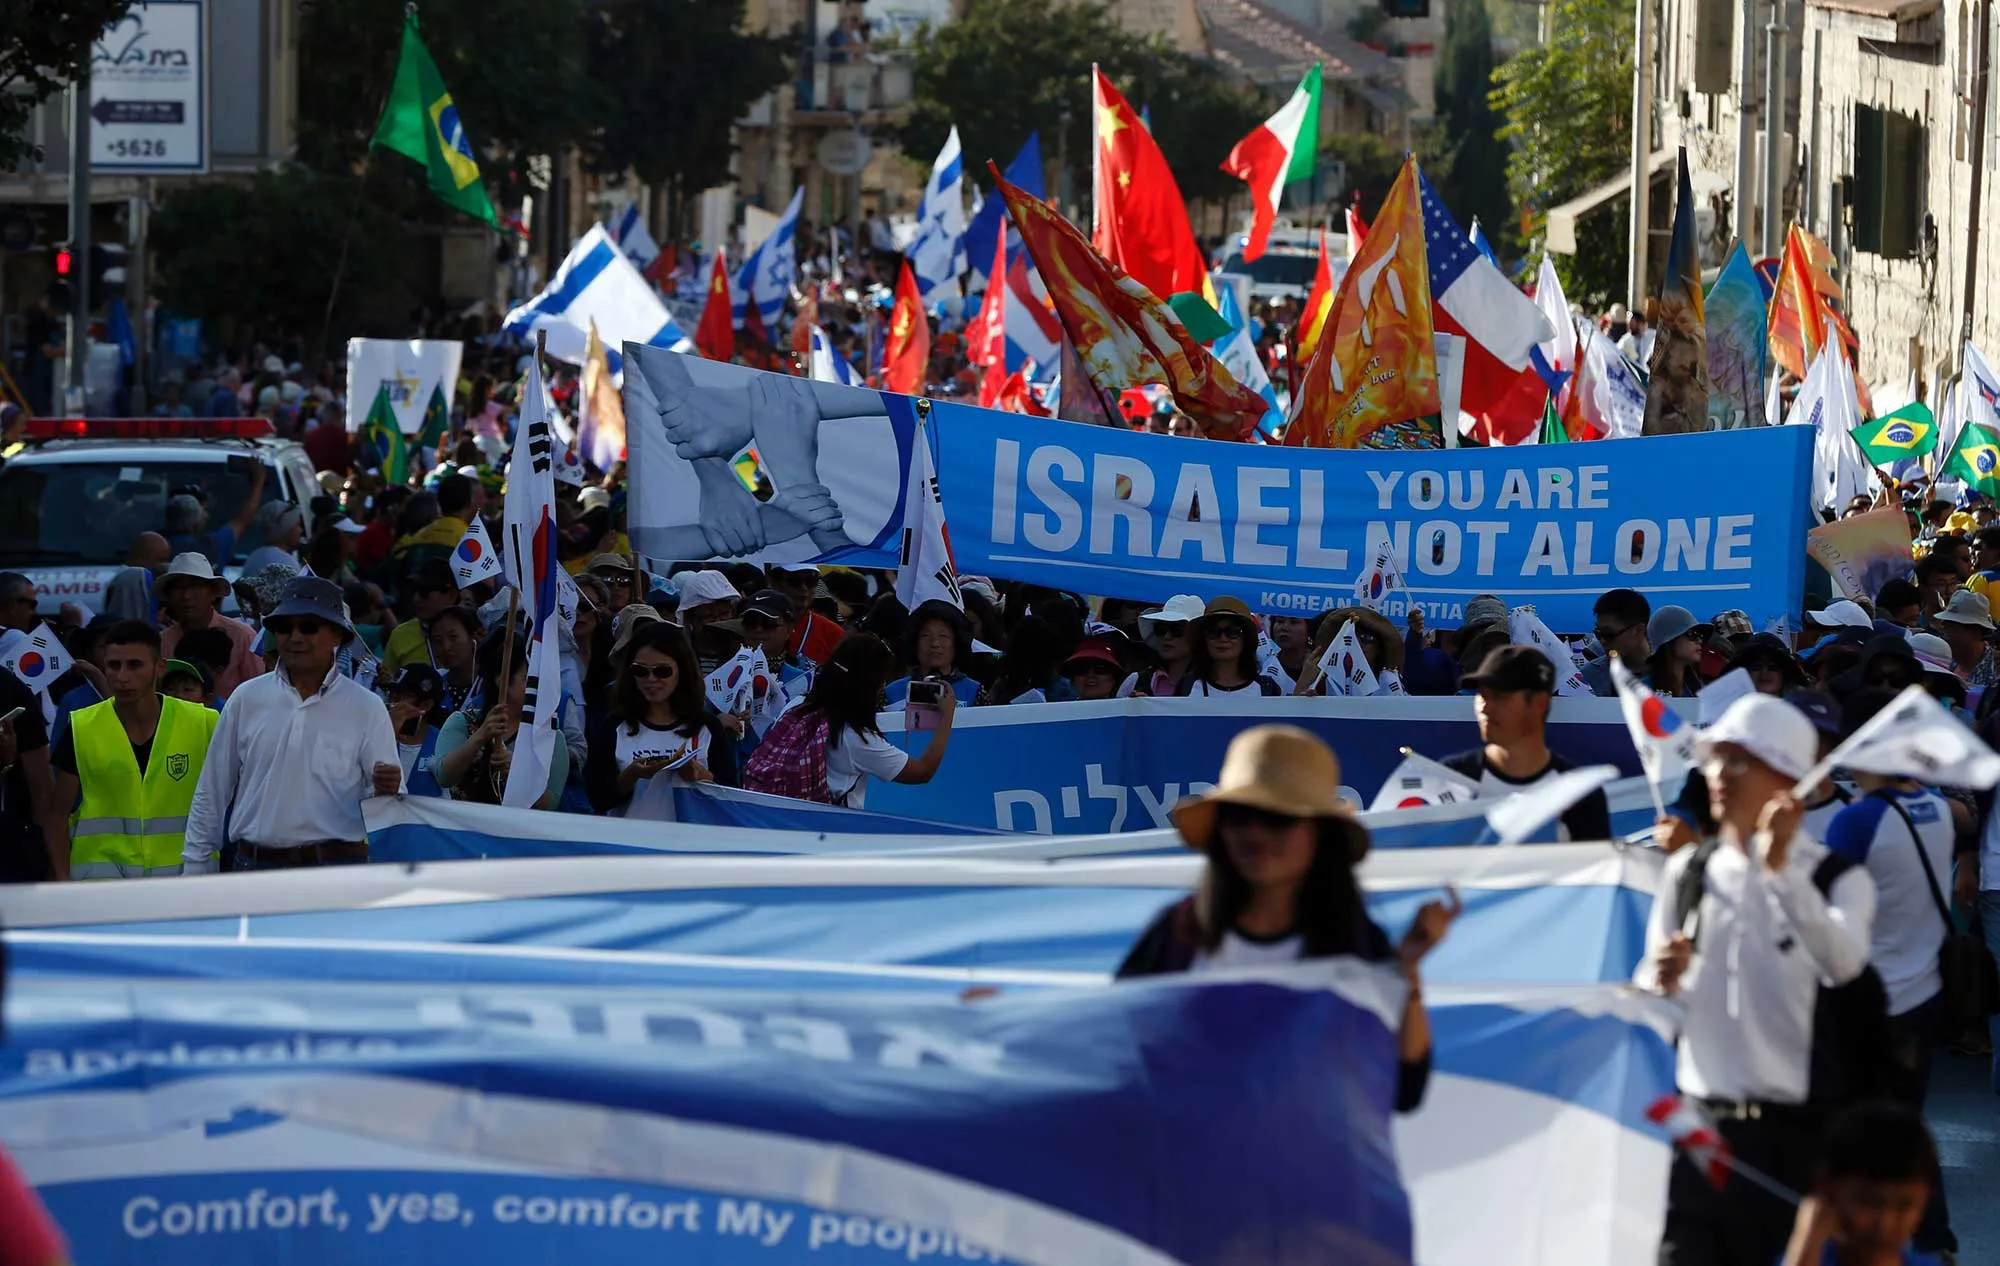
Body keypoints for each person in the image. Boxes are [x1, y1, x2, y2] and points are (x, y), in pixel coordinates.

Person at [1635, 694, 1877, 1266]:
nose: (1719, 775)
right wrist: (1659, 982)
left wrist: (1778, 873)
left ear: (1788, 778)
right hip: (1699, 1132)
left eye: (1739, 761)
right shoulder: (1687, 872)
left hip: (1801, 1141)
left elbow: (1843, 965)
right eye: (1715, 759)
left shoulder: (1838, 878)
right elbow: (1652, 1005)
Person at [1116, 725, 1459, 1114]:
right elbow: (1118, 1054)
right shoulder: (1178, 933)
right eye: (1239, 816)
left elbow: (1404, 1089)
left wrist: (1407, 970)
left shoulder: (1353, 941)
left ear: (1320, 836)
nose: (1254, 834)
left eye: (1276, 819)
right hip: (1189, 1169)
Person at [1820, 691, 1958, 1258]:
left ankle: (1903, 1243)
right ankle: (1933, 1238)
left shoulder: (1856, 822)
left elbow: (1822, 916)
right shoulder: (1937, 807)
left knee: (1859, 1139)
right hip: (1926, 992)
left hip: (1874, 1004)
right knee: (1908, 1126)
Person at [182, 577, 402, 872]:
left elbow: (393, 802)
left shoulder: (367, 707)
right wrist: (194, 867)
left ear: (338, 635)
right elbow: (212, 789)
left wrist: (385, 790)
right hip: (255, 870)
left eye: (309, 627)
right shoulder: (247, 698)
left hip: (336, 872)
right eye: (284, 628)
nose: (295, 637)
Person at [43, 621, 218, 880]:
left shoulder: (203, 722)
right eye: (114, 666)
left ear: (159, 667)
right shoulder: (82, 726)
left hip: (184, 880)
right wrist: (62, 880)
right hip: (102, 883)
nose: (122, 677)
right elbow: (57, 815)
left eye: (134, 665)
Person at [744, 633, 954, 808]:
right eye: (881, 679)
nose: (882, 686)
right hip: (830, 838)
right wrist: (947, 717)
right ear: (868, 684)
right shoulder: (854, 738)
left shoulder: (796, 707)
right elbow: (923, 771)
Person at [1439, 646, 1611, 841]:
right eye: (1482, 696)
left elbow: (1596, 869)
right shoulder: (1450, 778)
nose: (1485, 708)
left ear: (1539, 704)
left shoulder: (1581, 795)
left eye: (1500, 697)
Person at [585, 621, 726, 816]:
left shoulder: (707, 726)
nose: (651, 679)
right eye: (641, 671)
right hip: (631, 842)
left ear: (681, 671)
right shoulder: (614, 725)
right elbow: (597, 799)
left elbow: (732, 799)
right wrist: (631, 776)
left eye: (662, 671)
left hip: (690, 843)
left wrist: (702, 777)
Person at [1780, 1103, 1946, 1266]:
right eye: (1869, 1202)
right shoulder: (1807, 1258)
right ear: (1828, 1190)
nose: (1884, 1224)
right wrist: (1809, 1241)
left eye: (1904, 1206)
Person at [431, 629, 569, 810]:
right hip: (465, 833)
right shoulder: (463, 723)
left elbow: (549, 805)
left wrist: (515, 772)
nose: (538, 688)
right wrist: (480, 736)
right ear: (501, 680)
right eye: (528, 679)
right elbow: (444, 777)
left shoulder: (550, 738)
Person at [156, 554, 263, 699]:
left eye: (195, 587)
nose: (186, 596)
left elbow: (260, 694)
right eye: (177, 588)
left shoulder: (243, 636)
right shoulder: (162, 642)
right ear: (169, 596)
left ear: (213, 593)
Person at [163, 460, 266, 566]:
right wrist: (258, 483)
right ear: (194, 525)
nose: (207, 516)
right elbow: (243, 520)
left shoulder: (153, 546)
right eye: (204, 512)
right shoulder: (211, 546)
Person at [1178, 597, 1281, 697]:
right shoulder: (1187, 686)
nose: (1223, 639)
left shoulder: (1266, 689)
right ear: (1203, 638)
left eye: (1232, 632)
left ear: (1246, 638)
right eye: (1214, 632)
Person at [885, 600, 980, 707]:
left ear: (957, 643)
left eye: (943, 636)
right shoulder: (891, 693)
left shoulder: (975, 692)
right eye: (926, 635)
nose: (935, 644)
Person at [379, 559, 461, 676]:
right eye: (414, 590)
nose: (416, 598)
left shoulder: (471, 636)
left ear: (451, 596)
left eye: (425, 592)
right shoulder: (400, 635)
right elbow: (385, 686)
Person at [1120, 594, 1201, 697]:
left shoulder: (1211, 685)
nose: (1167, 636)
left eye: (1177, 630)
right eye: (1161, 629)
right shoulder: (1135, 682)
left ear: (1196, 635)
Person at [1580, 587, 1652, 696]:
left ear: (1638, 630)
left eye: (1609, 635)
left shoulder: (1674, 670)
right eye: (1598, 633)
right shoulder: (1589, 675)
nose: (1602, 641)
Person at [101, 531, 172, 624]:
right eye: (161, 560)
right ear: (139, 559)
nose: (166, 566)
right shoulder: (131, 580)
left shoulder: (142, 579)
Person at [425, 605, 482, 716]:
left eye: (453, 637)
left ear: (473, 637)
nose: (446, 647)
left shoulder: (493, 684)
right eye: (438, 641)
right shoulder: (432, 685)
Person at [1929, 591, 1995, 687]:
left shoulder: (1995, 669)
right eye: (1944, 622)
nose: (1942, 626)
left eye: (1950, 624)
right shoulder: (1941, 659)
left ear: (1976, 631)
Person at [1646, 605, 1711, 698]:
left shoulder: (1700, 688)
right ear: (1669, 641)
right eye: (1692, 634)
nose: (1699, 641)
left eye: (1700, 636)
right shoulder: (1642, 689)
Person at [1727, 632, 1807, 696]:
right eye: (1756, 667)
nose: (1764, 672)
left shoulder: (1802, 711)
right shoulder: (1727, 711)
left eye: (1773, 667)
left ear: (1784, 673)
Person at [242, 501, 305, 576]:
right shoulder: (286, 562)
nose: (301, 530)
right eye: (297, 525)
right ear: (285, 529)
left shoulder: (254, 556)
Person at [1061, 636, 1125, 701]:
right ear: (1073, 679)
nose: (1090, 675)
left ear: (1114, 678)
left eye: (1100, 668)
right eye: (1082, 669)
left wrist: (1134, 703)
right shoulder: (1058, 710)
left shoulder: (1126, 708)